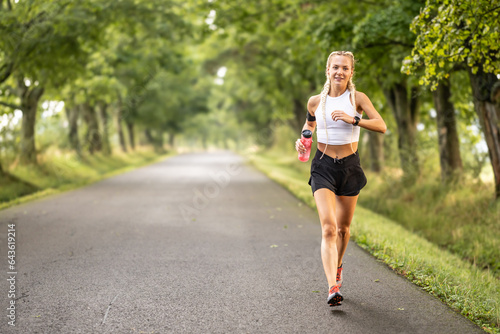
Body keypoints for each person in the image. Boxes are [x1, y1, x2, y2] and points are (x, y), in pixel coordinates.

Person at [295, 51, 386, 306]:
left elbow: (381, 125)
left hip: (349, 167)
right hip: (322, 166)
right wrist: (302, 144)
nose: (340, 72)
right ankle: (332, 287)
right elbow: (308, 127)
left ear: (351, 72)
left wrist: (354, 119)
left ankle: (338, 267)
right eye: (335, 67)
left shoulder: (357, 99)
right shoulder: (315, 102)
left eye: (345, 68)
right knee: (329, 228)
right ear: (327, 70)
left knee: (344, 230)